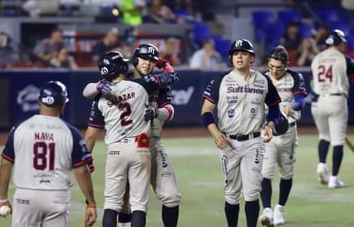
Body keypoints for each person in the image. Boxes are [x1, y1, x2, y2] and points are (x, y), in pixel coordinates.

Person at [83, 47, 181, 227]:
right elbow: (90, 89)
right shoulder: (134, 81)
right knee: (127, 203)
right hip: (137, 145)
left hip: (151, 144)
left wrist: (157, 112)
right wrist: (165, 64)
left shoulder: (152, 84)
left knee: (171, 196)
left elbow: (170, 110)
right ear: (134, 60)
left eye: (152, 60)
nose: (148, 63)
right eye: (144, 59)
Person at [201, 39, 282, 227]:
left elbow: (275, 107)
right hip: (228, 142)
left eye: (244, 53)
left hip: (254, 142)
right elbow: (206, 111)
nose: (239, 56)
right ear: (231, 57)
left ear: (251, 57)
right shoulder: (221, 80)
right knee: (231, 193)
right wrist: (215, 133)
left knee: (252, 192)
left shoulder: (263, 80)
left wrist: (270, 126)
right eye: (235, 53)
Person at [0, 81, 97, 227]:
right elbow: (82, 171)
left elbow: (6, 163)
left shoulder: (19, 129)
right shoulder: (71, 133)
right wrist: (91, 203)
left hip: (26, 197)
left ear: (39, 101)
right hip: (57, 197)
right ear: (63, 104)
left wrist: (2, 198)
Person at [259, 45, 308, 226]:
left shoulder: (295, 77)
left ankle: (280, 207)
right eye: (271, 67)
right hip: (267, 131)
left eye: (279, 68)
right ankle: (267, 210)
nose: (274, 71)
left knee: (286, 173)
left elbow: (301, 100)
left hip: (288, 131)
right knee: (265, 172)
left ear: (287, 64)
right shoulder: (262, 78)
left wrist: (292, 106)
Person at [310, 29, 354, 189]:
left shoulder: (316, 59)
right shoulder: (345, 59)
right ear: (338, 42)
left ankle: (322, 165)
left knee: (324, 135)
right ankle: (334, 178)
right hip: (336, 100)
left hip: (318, 102)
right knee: (337, 140)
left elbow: (311, 81)